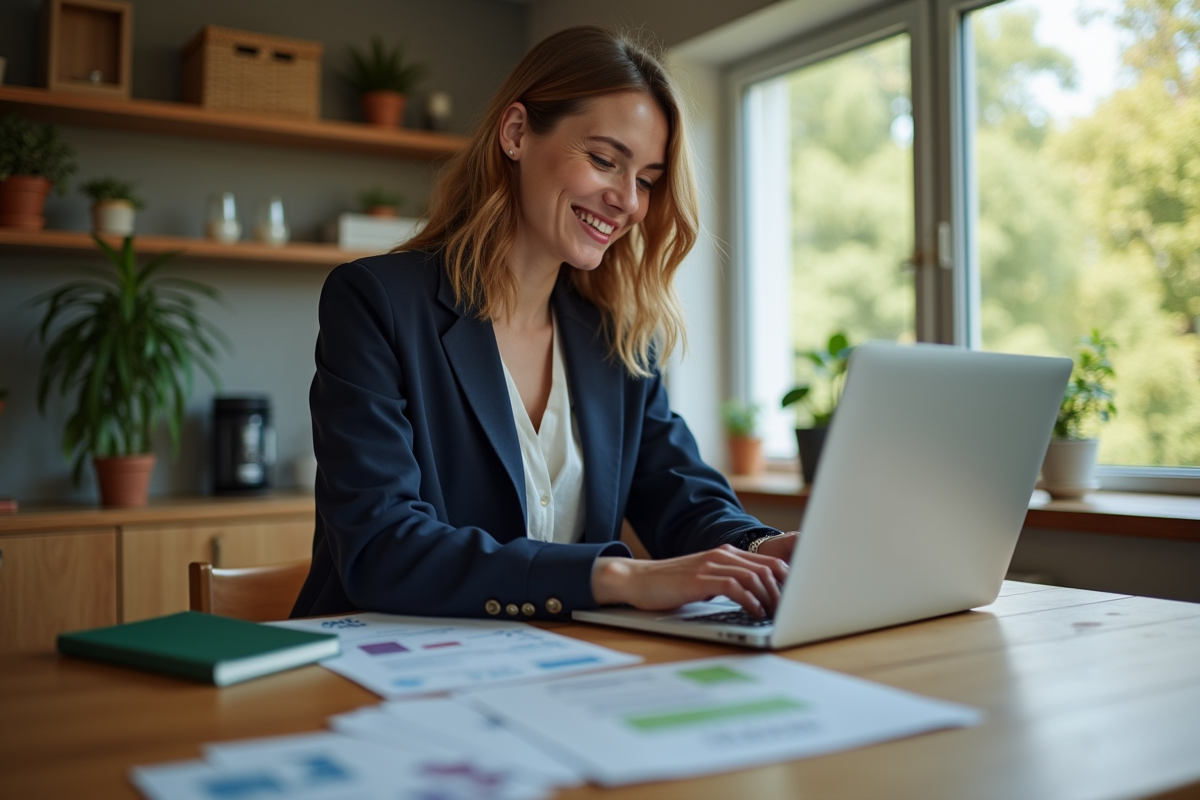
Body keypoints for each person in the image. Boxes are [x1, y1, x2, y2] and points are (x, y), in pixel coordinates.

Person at [291, 26, 798, 623]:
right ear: (516, 134)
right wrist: (616, 575)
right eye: (606, 161)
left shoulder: (620, 336)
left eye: (648, 181)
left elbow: (680, 495)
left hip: (558, 669)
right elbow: (381, 546)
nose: (629, 202)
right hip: (384, 667)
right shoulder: (377, 301)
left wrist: (763, 550)